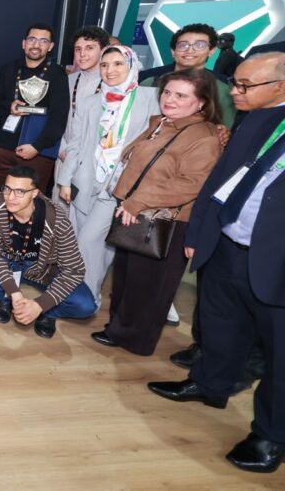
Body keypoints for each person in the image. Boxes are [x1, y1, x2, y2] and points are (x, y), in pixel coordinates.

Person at [147, 52, 285, 474]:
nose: (234, 92)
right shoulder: (254, 119)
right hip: (226, 245)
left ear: (280, 86)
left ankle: (271, 434)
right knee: (220, 325)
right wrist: (199, 233)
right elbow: (221, 180)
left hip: (276, 262)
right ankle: (210, 384)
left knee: (280, 356)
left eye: (245, 86)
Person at [90, 68, 222, 356]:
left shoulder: (203, 136)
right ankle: (118, 330)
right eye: (168, 93)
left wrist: (138, 202)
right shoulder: (163, 123)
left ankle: (135, 341)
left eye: (181, 96)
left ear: (202, 102)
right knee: (127, 279)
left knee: (149, 286)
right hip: (135, 212)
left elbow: (192, 184)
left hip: (165, 221)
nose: (170, 99)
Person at [56, 45, 159, 306]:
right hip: (84, 181)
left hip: (119, 186)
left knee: (89, 240)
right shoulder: (91, 102)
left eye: (117, 64)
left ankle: (86, 297)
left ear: (131, 66)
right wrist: (65, 180)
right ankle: (84, 289)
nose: (110, 70)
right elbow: (76, 143)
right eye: (104, 65)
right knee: (87, 241)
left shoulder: (151, 98)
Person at [0, 165, 97, 338]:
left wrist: (41, 304)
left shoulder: (57, 220)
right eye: (7, 189)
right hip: (10, 263)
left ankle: (48, 312)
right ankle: (6, 300)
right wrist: (14, 292)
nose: (10, 197)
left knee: (86, 306)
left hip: (45, 270)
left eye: (20, 192)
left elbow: (74, 270)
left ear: (34, 193)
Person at [0, 23, 70, 195]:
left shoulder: (57, 74)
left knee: (32, 204)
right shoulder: (9, 69)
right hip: (3, 149)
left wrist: (37, 147)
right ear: (24, 43)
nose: (36, 45)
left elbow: (59, 117)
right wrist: (9, 106)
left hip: (38, 153)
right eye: (32, 39)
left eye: (43, 41)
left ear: (51, 46)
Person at [139, 23, 236, 128]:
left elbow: (226, 127)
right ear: (173, 51)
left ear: (211, 51)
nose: (190, 50)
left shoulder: (223, 87)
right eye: (183, 45)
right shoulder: (148, 79)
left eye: (200, 45)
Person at [55, 26, 109, 194]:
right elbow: (56, 119)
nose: (82, 54)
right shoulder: (66, 81)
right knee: (58, 206)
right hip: (64, 156)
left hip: (96, 163)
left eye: (89, 48)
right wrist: (62, 150)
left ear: (104, 50)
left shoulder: (112, 85)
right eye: (78, 49)